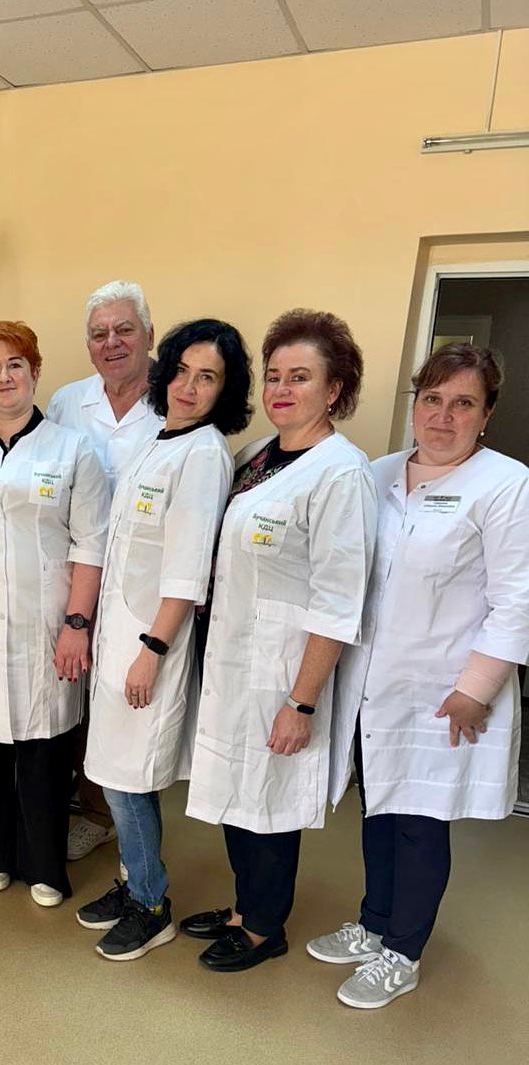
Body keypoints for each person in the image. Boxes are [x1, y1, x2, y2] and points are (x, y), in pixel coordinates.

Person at [308, 343, 529, 1009]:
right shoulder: (377, 474)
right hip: (373, 685)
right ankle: (374, 922)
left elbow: (516, 599)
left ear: (486, 415)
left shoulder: (505, 484)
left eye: (463, 403)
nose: (442, 416)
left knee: (420, 821)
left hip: (445, 692)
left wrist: (476, 688)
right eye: (431, 399)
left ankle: (402, 951)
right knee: (378, 807)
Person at [183, 308, 377, 973]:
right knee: (238, 792)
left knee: (268, 800)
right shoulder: (259, 457)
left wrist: (301, 701)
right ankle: (244, 908)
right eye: (274, 375)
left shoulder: (341, 473)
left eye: (301, 376)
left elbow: (339, 603)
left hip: (284, 670)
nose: (282, 389)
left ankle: (266, 927)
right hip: (234, 658)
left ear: (334, 388)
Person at [76, 318, 252, 961]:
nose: (188, 386)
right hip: (122, 633)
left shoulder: (203, 454)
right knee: (119, 774)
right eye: (180, 370)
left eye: (207, 378)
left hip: (151, 641)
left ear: (224, 392)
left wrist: (151, 652)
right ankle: (133, 882)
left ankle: (150, 905)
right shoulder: (161, 439)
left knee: (127, 781)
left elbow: (187, 570)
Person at [0, 321, 110, 906]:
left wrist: (76, 624)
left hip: (50, 623)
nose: (4, 377)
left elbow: (91, 544)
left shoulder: (73, 449)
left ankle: (45, 866)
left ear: (35, 372)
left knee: (46, 747)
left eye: (15, 364)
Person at [46, 280, 164, 862]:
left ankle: (134, 844)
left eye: (124, 330)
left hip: (144, 591)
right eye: (99, 333)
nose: (111, 342)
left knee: (131, 712)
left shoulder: (177, 404)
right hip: (75, 580)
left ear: (149, 335)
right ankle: (94, 811)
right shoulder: (67, 403)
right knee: (77, 704)